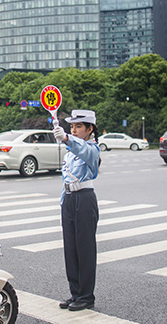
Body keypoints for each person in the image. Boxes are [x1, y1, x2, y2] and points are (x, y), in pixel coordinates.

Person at [52, 110, 101, 312]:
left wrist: (66, 137)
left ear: (90, 129)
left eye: (79, 126)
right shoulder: (71, 150)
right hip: (70, 200)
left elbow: (83, 150)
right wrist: (63, 203)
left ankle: (86, 296)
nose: (74, 130)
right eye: (72, 126)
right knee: (70, 249)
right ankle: (75, 293)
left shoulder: (92, 149)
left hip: (84, 199)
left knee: (85, 249)